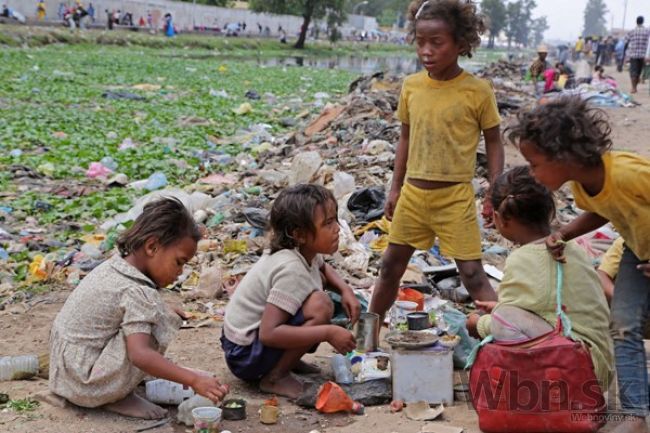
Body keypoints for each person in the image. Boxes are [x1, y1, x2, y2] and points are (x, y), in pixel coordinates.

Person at [510, 96, 650, 433]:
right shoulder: (585, 188)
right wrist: (563, 235)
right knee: (624, 325)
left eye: (534, 163)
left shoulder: (628, 173)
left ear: (563, 156)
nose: (532, 172)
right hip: (637, 252)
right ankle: (636, 414)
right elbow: (603, 209)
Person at [369, 0, 501, 329]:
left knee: (472, 274)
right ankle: (367, 339)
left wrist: (494, 193)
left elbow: (494, 141)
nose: (426, 51)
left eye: (436, 43)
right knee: (390, 267)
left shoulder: (477, 91)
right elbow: (405, 139)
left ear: (460, 43)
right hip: (414, 194)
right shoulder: (412, 86)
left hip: (454, 198)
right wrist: (395, 187)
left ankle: (510, 338)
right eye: (420, 41)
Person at [49, 198, 229, 419]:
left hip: (64, 371)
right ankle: (115, 396)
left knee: (157, 313)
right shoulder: (138, 292)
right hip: (84, 384)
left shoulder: (116, 266)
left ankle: (116, 387)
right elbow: (140, 355)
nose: (180, 273)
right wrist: (193, 380)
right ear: (152, 247)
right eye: (179, 262)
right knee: (158, 322)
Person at [466, 166, 613, 387]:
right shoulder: (574, 249)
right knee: (502, 313)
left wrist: (480, 324)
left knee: (484, 323)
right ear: (550, 211)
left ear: (500, 218)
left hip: (573, 373)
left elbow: (512, 329)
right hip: (600, 370)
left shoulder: (522, 258)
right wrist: (499, 310)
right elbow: (548, 307)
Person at [221, 185, 360, 399]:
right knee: (320, 305)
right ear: (299, 234)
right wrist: (328, 332)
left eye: (335, 220)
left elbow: (323, 267)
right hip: (244, 353)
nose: (338, 229)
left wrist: (345, 290)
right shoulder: (291, 269)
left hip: (244, 343)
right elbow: (269, 334)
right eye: (328, 223)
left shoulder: (303, 250)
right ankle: (276, 376)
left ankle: (287, 360)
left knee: (319, 290)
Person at [624, 16, 650, 93]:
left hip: (633, 54)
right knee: (639, 71)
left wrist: (625, 53)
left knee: (633, 71)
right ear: (643, 22)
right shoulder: (647, 31)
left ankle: (633, 87)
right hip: (643, 55)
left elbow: (626, 41)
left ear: (636, 22)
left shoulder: (632, 31)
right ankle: (635, 86)